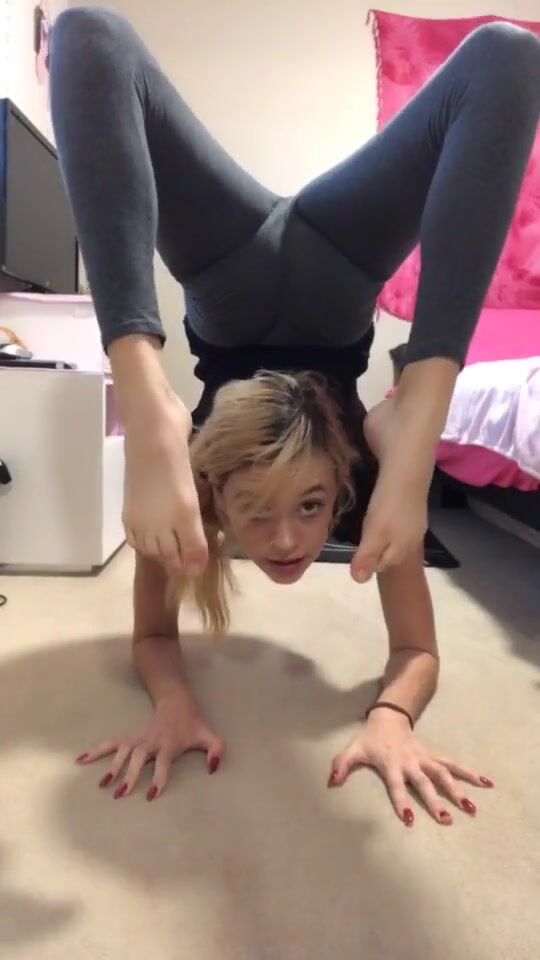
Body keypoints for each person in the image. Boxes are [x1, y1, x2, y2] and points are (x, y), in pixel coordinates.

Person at [49, 9, 539, 824]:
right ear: (218, 491)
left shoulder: (354, 486)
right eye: (257, 509)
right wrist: (172, 702)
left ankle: (417, 404)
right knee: (507, 56)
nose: (284, 541)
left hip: (227, 275)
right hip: (339, 271)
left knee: (510, 55)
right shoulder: (224, 487)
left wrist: (392, 715)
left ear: (341, 480)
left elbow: (413, 650)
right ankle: (154, 399)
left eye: (310, 507)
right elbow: (158, 637)